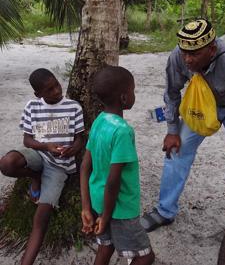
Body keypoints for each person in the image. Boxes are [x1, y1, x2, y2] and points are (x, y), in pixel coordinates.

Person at [141, 19, 225, 232]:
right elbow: (172, 93)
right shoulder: (179, 55)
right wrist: (172, 131)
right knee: (175, 152)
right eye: (184, 53)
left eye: (194, 55)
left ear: (212, 49)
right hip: (200, 105)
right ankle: (164, 211)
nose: (187, 60)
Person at [0, 68, 85, 265]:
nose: (56, 91)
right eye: (49, 89)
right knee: (7, 163)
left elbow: (79, 139)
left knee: (42, 217)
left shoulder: (73, 107)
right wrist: (46, 146)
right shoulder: (32, 107)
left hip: (60, 166)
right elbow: (27, 140)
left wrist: (73, 149)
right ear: (38, 94)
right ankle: (35, 177)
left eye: (56, 84)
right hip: (38, 154)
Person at [80, 65, 155, 265]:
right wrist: (105, 215)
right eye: (133, 91)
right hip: (120, 208)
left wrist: (86, 208)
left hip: (97, 202)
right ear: (123, 98)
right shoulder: (123, 131)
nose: (134, 94)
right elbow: (113, 181)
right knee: (145, 257)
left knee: (107, 245)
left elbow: (85, 167)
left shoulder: (99, 122)